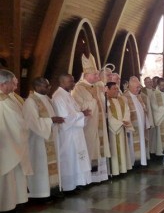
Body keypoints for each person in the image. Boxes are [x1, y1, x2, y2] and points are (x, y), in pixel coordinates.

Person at [22, 77, 64, 200]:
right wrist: (51, 120)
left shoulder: (47, 99)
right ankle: (40, 194)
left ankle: (52, 189)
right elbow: (32, 122)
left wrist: (55, 120)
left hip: (49, 138)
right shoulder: (31, 102)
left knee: (50, 166)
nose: (49, 88)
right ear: (38, 87)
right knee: (41, 167)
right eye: (47, 86)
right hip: (38, 141)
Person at [71, 53, 110, 182]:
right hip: (88, 125)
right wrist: (93, 101)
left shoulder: (97, 86)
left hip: (99, 122)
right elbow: (78, 106)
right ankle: (90, 178)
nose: (98, 77)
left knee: (99, 147)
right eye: (95, 75)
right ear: (87, 75)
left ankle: (100, 175)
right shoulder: (78, 88)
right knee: (90, 147)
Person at [52, 74, 92, 193]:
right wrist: (82, 114)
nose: (73, 83)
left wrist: (82, 113)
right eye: (71, 81)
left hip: (76, 132)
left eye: (73, 81)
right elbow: (65, 118)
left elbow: (76, 111)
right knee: (69, 158)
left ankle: (78, 182)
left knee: (77, 158)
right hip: (68, 135)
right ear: (62, 82)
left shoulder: (68, 95)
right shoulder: (58, 97)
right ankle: (69, 186)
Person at [0, 69, 32, 213]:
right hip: (7, 145)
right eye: (12, 84)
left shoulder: (8, 98)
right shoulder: (5, 100)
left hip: (6, 144)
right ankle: (8, 207)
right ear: (4, 83)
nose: (14, 87)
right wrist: (27, 126)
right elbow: (18, 122)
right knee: (8, 177)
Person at [106, 82, 133, 176]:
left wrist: (125, 121)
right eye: (114, 89)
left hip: (122, 128)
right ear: (107, 90)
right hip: (112, 130)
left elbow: (127, 111)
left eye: (117, 88)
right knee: (114, 148)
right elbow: (108, 116)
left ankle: (123, 169)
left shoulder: (121, 99)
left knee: (123, 147)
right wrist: (119, 124)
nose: (117, 90)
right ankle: (115, 171)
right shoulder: (106, 101)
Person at [123, 77, 151, 168]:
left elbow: (144, 110)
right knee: (132, 144)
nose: (139, 89)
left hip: (141, 126)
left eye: (139, 87)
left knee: (141, 143)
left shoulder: (139, 96)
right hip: (132, 128)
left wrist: (146, 122)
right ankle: (133, 162)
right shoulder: (124, 97)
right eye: (137, 87)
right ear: (130, 87)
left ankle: (141, 161)